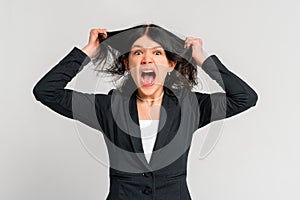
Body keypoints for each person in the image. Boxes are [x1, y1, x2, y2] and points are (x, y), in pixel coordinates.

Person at [33, 24, 258, 200]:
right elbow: (46, 91)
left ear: (171, 65)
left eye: (158, 53)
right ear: (129, 64)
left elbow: (245, 98)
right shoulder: (107, 108)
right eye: (138, 52)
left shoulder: (191, 106)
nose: (147, 58)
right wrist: (88, 51)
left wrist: (203, 59)